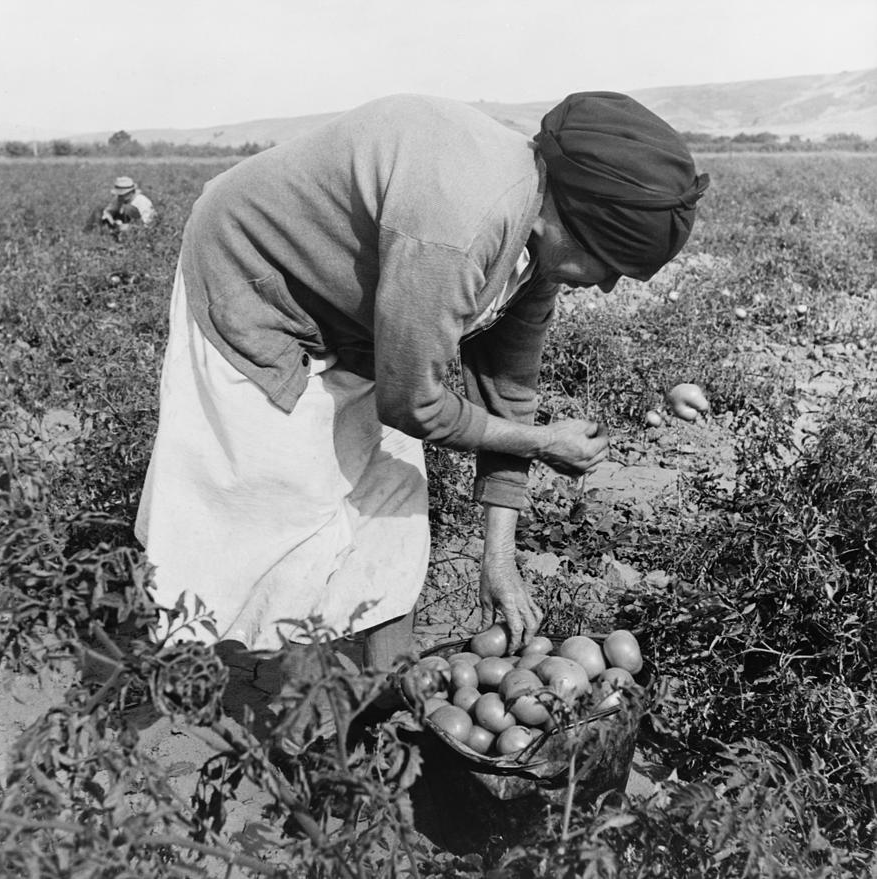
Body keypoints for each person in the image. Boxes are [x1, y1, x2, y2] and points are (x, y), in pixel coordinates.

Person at [135, 92, 708, 676]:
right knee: (291, 511)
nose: (608, 287)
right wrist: (541, 444)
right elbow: (412, 403)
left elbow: (507, 391)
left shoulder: (540, 239)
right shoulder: (460, 227)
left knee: (392, 502)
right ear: (571, 222)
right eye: (609, 266)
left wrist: (500, 557)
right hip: (253, 278)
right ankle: (300, 724)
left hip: (358, 313)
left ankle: (394, 692)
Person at [91, 176, 157, 236]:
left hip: (137, 228)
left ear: (132, 192)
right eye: (119, 195)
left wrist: (129, 227)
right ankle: (93, 234)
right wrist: (111, 220)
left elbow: (148, 225)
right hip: (120, 224)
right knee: (99, 209)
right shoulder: (119, 199)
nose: (120, 197)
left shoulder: (142, 202)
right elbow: (109, 210)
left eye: (123, 195)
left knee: (128, 208)